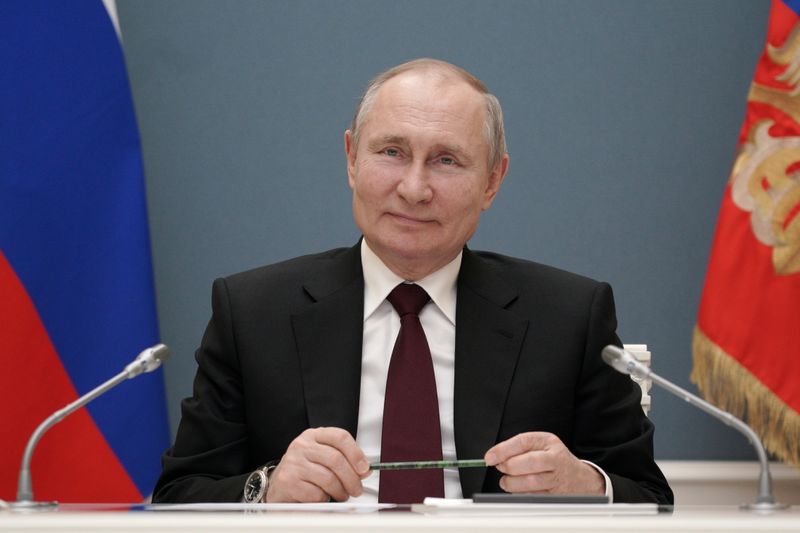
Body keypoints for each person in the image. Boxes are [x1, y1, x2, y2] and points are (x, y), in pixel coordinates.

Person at [152, 58, 673, 505]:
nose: (414, 187)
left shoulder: (569, 316)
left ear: (493, 181)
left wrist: (585, 483)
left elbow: (649, 497)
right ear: (352, 158)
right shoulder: (252, 312)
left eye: (446, 160)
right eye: (391, 152)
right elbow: (178, 496)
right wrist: (267, 489)